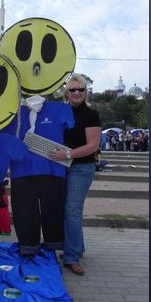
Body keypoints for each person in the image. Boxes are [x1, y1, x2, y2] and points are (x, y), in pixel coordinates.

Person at [50, 74, 101, 275]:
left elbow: (93, 146)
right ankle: (76, 247)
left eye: (81, 89)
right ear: (67, 93)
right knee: (66, 210)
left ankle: (71, 256)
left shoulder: (90, 114)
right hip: (62, 167)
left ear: (86, 92)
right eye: (73, 89)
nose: (77, 92)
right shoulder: (61, 111)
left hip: (81, 168)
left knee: (72, 210)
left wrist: (67, 154)